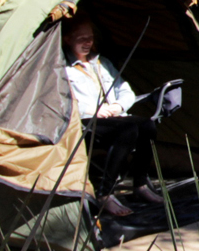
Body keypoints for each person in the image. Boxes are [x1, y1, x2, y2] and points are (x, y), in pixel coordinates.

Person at [65, 16, 159, 217]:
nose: (87, 43)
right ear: (67, 39)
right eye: (81, 38)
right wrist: (93, 110)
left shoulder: (102, 63)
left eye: (90, 37)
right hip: (85, 121)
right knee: (128, 130)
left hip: (113, 117)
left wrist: (118, 105)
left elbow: (125, 90)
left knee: (147, 125)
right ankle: (104, 194)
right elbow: (61, 99)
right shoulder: (63, 67)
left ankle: (140, 184)